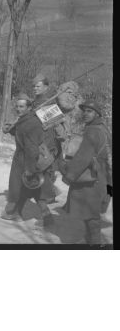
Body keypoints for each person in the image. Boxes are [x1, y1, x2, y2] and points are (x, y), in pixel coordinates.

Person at [56, 100, 112, 245]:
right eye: (84, 111)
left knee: (91, 213)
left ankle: (94, 242)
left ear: (97, 114)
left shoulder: (92, 131)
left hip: (91, 179)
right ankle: (90, 240)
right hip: (102, 176)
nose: (86, 114)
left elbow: (82, 157)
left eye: (90, 111)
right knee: (91, 211)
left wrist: (69, 175)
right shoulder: (103, 128)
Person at [1, 93, 55, 227]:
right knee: (30, 189)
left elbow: (32, 149)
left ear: (29, 107)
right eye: (17, 106)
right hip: (22, 160)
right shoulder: (23, 120)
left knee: (25, 187)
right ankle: (17, 212)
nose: (18, 109)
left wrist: (30, 169)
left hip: (28, 161)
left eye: (22, 106)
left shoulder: (31, 123)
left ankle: (15, 212)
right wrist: (9, 129)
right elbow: (20, 133)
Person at [32, 74, 62, 203]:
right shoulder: (34, 102)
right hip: (37, 139)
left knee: (46, 167)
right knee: (40, 167)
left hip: (47, 140)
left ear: (46, 87)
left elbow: (54, 125)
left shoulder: (49, 102)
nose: (35, 88)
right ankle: (47, 193)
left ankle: (49, 195)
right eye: (34, 86)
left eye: (38, 86)